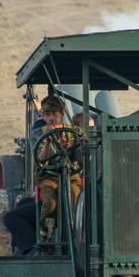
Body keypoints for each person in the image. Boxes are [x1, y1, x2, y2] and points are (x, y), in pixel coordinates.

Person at [34, 95, 82, 240]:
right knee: (50, 201)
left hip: (71, 176)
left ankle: (75, 233)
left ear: (61, 114)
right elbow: (41, 160)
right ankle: (44, 230)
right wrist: (48, 141)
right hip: (48, 177)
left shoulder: (73, 132)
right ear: (43, 115)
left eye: (55, 114)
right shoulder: (38, 133)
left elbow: (80, 156)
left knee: (74, 194)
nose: (52, 118)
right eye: (48, 114)